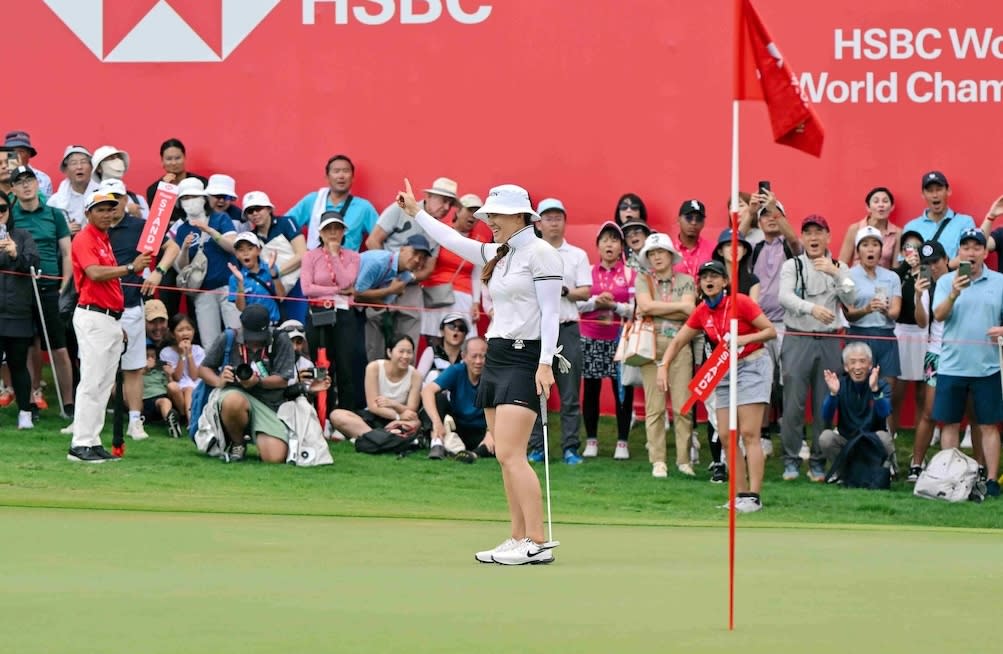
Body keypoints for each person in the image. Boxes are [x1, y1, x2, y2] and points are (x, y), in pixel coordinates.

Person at [398, 180, 562, 565]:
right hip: (497, 355)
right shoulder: (498, 254)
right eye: (489, 217)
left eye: (497, 216)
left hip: (527, 356)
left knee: (510, 453)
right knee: (503, 454)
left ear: (519, 215)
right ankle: (517, 536)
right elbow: (453, 241)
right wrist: (416, 212)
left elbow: (552, 313)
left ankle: (536, 541)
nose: (491, 223)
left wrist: (546, 364)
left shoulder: (542, 254)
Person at [657, 260, 777, 513]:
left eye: (714, 276)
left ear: (725, 281)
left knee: (749, 432)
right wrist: (664, 365)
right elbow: (679, 340)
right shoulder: (702, 310)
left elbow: (769, 331)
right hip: (724, 370)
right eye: (704, 277)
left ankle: (754, 497)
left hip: (752, 365)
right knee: (726, 434)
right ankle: (739, 495)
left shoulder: (740, 302)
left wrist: (742, 339)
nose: (708, 281)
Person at [68, 190, 151, 462]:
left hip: (108, 318)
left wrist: (116, 320)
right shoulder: (85, 238)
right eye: (101, 209)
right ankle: (80, 444)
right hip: (93, 316)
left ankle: (92, 442)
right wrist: (131, 267)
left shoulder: (102, 239)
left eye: (111, 209)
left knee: (103, 385)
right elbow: (94, 273)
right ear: (88, 213)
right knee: (92, 382)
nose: (107, 213)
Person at [779, 215, 857, 482]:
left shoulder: (839, 266)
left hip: (830, 340)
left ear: (828, 237)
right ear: (802, 237)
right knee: (793, 404)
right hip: (797, 338)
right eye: (808, 232)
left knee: (826, 402)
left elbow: (851, 297)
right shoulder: (792, 265)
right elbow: (785, 297)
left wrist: (836, 273)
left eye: (819, 232)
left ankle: (818, 462)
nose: (813, 238)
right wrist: (811, 308)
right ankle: (790, 460)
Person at [102, 177, 182, 441]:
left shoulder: (139, 226)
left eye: (118, 199)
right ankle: (90, 419)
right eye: (108, 200)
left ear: (126, 200)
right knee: (97, 366)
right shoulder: (94, 229)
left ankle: (135, 422)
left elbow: (172, 247)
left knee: (133, 368)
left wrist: (158, 272)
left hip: (131, 307)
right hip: (99, 309)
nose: (112, 206)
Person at [932, 228, 1003, 497]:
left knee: (988, 425)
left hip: (989, 367)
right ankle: (950, 478)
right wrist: (953, 293)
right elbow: (938, 316)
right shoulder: (946, 282)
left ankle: (992, 480)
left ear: (986, 253)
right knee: (949, 423)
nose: (971, 252)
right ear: (958, 252)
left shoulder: (999, 281)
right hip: (952, 366)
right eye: (966, 247)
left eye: (977, 247)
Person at [9, 165, 75, 419]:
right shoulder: (10, 215)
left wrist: (63, 285)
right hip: (21, 288)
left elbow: (67, 253)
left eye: (30, 180)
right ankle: (30, 402)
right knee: (25, 346)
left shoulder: (55, 214)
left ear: (38, 184)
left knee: (59, 347)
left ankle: (68, 403)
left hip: (50, 288)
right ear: (13, 188)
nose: (26, 185)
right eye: (20, 182)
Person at [528, 198, 590, 465]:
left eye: (558, 217)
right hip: (537, 331)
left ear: (565, 222)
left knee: (569, 393)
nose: (553, 222)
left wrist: (563, 289)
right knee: (534, 391)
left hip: (567, 329)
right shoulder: (530, 253)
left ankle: (570, 448)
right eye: (548, 217)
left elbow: (586, 292)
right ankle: (536, 447)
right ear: (538, 223)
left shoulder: (577, 255)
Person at [198, 304, 296, 463]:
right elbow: (203, 369)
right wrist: (219, 380)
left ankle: (258, 435)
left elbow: (283, 380)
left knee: (274, 457)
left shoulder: (280, 339)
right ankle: (238, 443)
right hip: (235, 395)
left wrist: (258, 382)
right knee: (233, 401)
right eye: (251, 337)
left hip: (268, 403)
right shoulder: (229, 337)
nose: (255, 343)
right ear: (242, 327)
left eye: (259, 337)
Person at [367, 177, 457, 349]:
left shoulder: (438, 228)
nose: (446, 208)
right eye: (444, 201)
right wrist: (387, 274)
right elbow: (373, 241)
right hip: (383, 282)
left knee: (409, 341)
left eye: (450, 204)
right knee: (376, 336)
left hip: (412, 286)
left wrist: (407, 278)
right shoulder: (400, 209)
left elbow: (429, 267)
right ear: (429, 197)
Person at [633, 232, 696, 478]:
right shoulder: (643, 279)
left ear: (671, 255)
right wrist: (678, 307)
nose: (657, 257)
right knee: (654, 407)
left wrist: (665, 310)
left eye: (661, 252)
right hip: (650, 344)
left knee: (683, 406)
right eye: (652, 253)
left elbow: (691, 312)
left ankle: (683, 460)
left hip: (680, 345)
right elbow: (645, 306)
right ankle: (658, 460)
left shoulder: (686, 279)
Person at [578, 221, 636, 458]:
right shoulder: (588, 273)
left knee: (622, 389)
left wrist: (614, 306)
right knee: (590, 390)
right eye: (604, 240)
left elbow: (636, 308)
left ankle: (622, 441)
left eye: (614, 240)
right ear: (598, 246)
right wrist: (595, 303)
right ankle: (591, 440)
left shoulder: (630, 274)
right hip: (590, 337)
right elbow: (577, 304)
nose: (609, 244)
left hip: (621, 339)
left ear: (621, 246)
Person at [299, 211, 362, 411]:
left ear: (344, 232)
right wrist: (335, 291)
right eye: (328, 229)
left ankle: (345, 415)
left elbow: (347, 281)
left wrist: (334, 255)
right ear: (320, 232)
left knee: (346, 366)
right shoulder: (310, 256)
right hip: (317, 314)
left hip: (343, 315)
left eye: (337, 228)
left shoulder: (353, 257)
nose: (333, 233)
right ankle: (322, 414)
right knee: (322, 365)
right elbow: (307, 289)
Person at [845, 225, 902, 429]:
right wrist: (867, 309)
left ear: (881, 249)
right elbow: (848, 313)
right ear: (858, 251)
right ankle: (855, 438)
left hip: (885, 337)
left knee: (886, 393)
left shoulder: (892, 277)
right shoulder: (849, 276)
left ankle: (886, 444)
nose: (871, 249)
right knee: (858, 391)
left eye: (875, 245)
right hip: (858, 336)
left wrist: (884, 310)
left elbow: (895, 312)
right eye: (865, 245)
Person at [172, 177, 239, 348]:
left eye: (194, 197)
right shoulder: (182, 229)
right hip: (203, 291)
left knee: (237, 335)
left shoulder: (220, 219)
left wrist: (210, 231)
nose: (190, 202)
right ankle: (214, 374)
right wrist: (185, 248)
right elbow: (182, 267)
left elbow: (233, 247)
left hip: (228, 286)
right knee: (211, 343)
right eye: (185, 198)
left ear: (203, 198)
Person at [327, 335, 423, 439]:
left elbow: (411, 410)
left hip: (400, 421)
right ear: (389, 352)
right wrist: (397, 415)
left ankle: (370, 437)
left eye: (409, 352)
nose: (405, 356)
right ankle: (381, 437)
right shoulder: (374, 367)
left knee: (415, 423)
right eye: (401, 351)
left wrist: (393, 404)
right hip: (374, 416)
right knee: (336, 415)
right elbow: (373, 406)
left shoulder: (416, 375)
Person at [419, 193, 486, 342]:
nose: (473, 216)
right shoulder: (440, 231)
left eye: (477, 212)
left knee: (462, 339)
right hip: (436, 294)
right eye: (469, 210)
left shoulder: (479, 241)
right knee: (434, 339)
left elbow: (477, 275)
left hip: (463, 297)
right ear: (458, 210)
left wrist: (476, 302)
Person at [908, 240, 949, 481]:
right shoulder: (926, 288)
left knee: (970, 414)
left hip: (963, 354)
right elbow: (922, 322)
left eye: (935, 261)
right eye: (927, 264)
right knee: (928, 411)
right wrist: (917, 294)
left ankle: (975, 466)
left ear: (945, 260)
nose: (932, 267)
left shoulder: (958, 281)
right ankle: (916, 464)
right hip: (935, 352)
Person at [355, 234, 432, 363]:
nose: (417, 260)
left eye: (422, 258)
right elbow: (357, 293)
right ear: (402, 249)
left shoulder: (406, 276)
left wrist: (387, 302)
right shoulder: (379, 261)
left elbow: (379, 305)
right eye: (415, 253)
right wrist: (390, 291)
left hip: (357, 308)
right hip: (336, 296)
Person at [0, 195, 41, 429]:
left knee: (18, 364)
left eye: (2, 208)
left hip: (17, 311)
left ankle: (25, 412)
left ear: (9, 210)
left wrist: (15, 254)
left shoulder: (23, 235)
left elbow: (33, 263)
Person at [819, 343, 894, 468]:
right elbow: (826, 415)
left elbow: (885, 412)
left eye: (862, 361)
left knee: (884, 438)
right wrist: (833, 394)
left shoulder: (881, 384)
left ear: (870, 365)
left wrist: (875, 390)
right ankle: (843, 472)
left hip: (872, 440)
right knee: (826, 438)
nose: (857, 367)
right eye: (852, 362)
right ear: (846, 367)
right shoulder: (839, 383)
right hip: (847, 439)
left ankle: (882, 471)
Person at [287, 154, 380, 251]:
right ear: (327, 177)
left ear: (352, 178)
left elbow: (379, 237)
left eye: (346, 171)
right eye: (336, 171)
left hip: (348, 264)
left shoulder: (364, 208)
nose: (341, 176)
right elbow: (285, 226)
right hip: (314, 262)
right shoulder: (312, 201)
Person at [423, 337, 493, 460]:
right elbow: (427, 391)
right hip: (458, 426)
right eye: (474, 356)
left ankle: (474, 454)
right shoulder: (457, 371)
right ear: (464, 356)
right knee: (438, 398)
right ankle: (437, 444)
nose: (478, 361)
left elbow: (498, 406)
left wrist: (491, 432)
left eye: (483, 356)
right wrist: (437, 422)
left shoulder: (492, 376)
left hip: (482, 429)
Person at [244, 190, 307, 323]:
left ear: (268, 208)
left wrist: (274, 273)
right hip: (273, 291)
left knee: (299, 329)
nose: (255, 213)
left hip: (298, 285)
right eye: (250, 211)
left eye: (258, 208)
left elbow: (302, 254)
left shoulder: (286, 222)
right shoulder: (251, 237)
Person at [889, 231, 927, 442]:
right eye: (908, 248)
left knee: (922, 393)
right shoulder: (897, 273)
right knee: (897, 391)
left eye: (917, 248)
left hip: (923, 334)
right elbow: (892, 287)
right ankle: (890, 432)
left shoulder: (927, 273)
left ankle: (924, 432)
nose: (913, 252)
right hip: (901, 332)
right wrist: (905, 265)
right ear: (903, 251)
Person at [901, 171, 975, 267]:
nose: (935, 195)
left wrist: (942, 272)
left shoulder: (965, 222)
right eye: (930, 191)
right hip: (921, 280)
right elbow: (905, 259)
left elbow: (969, 255)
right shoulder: (911, 227)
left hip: (953, 279)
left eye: (939, 189)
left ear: (948, 191)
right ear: (923, 194)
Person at [141, 300, 184, 438]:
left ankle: (179, 420)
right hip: (144, 392)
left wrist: (170, 375)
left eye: (162, 321)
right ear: (144, 323)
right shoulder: (138, 342)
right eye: (153, 322)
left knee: (169, 393)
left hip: (167, 390)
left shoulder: (173, 342)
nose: (158, 327)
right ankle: (135, 417)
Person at [145, 138, 207, 224]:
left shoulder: (201, 183)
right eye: (169, 159)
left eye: (178, 158)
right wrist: (164, 190)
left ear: (185, 158)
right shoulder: (154, 190)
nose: (174, 163)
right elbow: (157, 222)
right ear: (162, 161)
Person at [226, 232, 284, 323]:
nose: (246, 253)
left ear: (258, 250)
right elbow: (241, 308)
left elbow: (281, 296)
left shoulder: (270, 268)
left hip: (274, 322)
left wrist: (273, 273)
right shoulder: (234, 278)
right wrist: (240, 283)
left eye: (250, 249)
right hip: (252, 327)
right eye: (241, 250)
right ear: (236, 254)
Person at [159, 313, 206, 425]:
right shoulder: (166, 352)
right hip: (179, 387)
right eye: (180, 330)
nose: (185, 333)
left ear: (194, 331)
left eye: (188, 329)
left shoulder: (198, 350)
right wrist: (182, 355)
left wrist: (189, 354)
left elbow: (194, 376)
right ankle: (187, 417)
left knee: (190, 389)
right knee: (176, 387)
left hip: (194, 384)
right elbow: (177, 377)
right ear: (172, 333)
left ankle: (190, 421)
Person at [838, 187, 900, 269]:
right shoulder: (855, 229)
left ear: (892, 207)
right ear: (868, 207)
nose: (881, 205)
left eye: (885, 201)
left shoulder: (897, 233)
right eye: (876, 201)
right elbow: (842, 263)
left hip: (883, 280)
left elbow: (896, 267)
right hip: (856, 279)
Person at [47, 145, 99, 232]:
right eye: (73, 163)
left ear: (91, 167)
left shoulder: (103, 194)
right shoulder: (55, 202)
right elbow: (47, 229)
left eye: (83, 162)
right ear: (66, 170)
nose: (79, 167)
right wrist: (63, 230)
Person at [91, 146, 148, 219]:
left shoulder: (138, 199)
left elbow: (150, 227)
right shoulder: (91, 198)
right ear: (99, 168)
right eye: (110, 158)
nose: (117, 161)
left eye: (118, 157)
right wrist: (126, 210)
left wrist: (139, 216)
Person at [417, 313, 468, 385]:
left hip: (457, 395)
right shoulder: (431, 352)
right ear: (442, 331)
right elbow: (417, 380)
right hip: (430, 394)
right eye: (452, 326)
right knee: (433, 375)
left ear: (465, 335)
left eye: (461, 328)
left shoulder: (467, 357)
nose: (456, 330)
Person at [674, 199, 716, 280]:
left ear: (703, 223)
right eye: (689, 218)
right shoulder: (668, 248)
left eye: (698, 219)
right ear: (678, 219)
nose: (693, 222)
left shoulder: (713, 248)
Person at [2, 131, 52, 196]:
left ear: (29, 154)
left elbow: (43, 204)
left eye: (20, 151)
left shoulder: (42, 179)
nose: (16, 155)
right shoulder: (2, 176)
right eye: (11, 152)